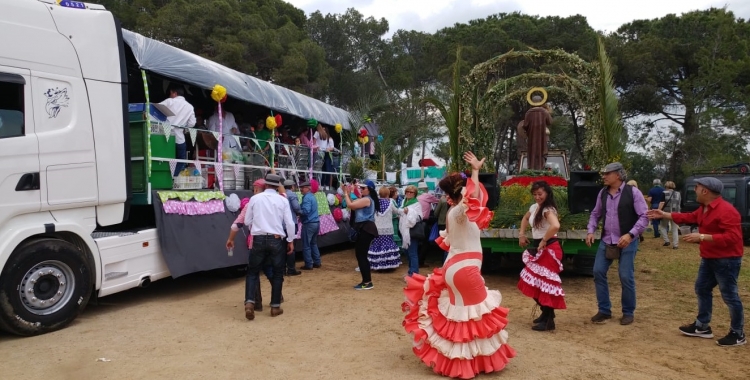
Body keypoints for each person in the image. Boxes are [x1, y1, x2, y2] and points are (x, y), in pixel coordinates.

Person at [403, 152, 516, 378]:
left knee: (462, 315)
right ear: (462, 192)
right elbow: (474, 195)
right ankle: (468, 363)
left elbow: (474, 200)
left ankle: (461, 361)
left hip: (455, 268)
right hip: (464, 269)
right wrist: (475, 171)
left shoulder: (456, 214)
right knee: (475, 315)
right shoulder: (461, 212)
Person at [648, 177, 746, 347]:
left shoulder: (727, 211)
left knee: (730, 296)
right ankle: (702, 326)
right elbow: (690, 216)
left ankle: (737, 333)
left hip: (726, 260)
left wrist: (701, 237)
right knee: (701, 288)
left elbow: (733, 237)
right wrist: (664, 214)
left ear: (705, 191)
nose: (695, 190)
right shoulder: (704, 208)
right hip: (709, 258)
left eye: (697, 187)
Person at [586, 162, 648, 325]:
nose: (604, 176)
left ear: (618, 175)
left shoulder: (633, 193)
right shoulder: (603, 193)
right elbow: (595, 213)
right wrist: (591, 230)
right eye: (604, 174)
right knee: (598, 271)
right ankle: (604, 310)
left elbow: (644, 216)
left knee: (625, 275)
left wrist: (630, 234)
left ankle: (628, 312)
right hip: (607, 240)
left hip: (628, 241)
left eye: (607, 174)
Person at [243, 173, 295, 320]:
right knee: (278, 273)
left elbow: (247, 221)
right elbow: (289, 223)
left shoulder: (255, 199)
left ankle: (249, 303)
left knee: (252, 272)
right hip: (276, 239)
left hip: (258, 238)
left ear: (265, 184)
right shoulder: (282, 200)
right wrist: (290, 240)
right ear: (278, 186)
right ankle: (275, 306)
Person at [517, 181, 566, 331]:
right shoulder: (534, 208)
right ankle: (546, 314)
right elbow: (525, 218)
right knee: (535, 283)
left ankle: (549, 320)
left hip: (549, 248)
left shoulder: (547, 209)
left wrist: (544, 240)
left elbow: (555, 226)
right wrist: (521, 234)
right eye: (535, 194)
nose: (537, 197)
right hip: (541, 247)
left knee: (545, 285)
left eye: (540, 194)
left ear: (547, 193)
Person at [342, 179, 379, 290]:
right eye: (360, 188)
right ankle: (366, 281)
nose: (361, 189)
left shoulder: (367, 200)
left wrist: (345, 194)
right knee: (361, 255)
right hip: (365, 228)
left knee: (361, 255)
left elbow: (351, 205)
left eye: (363, 188)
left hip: (366, 228)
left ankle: (367, 282)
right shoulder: (366, 199)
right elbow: (352, 203)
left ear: (370, 190)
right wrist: (348, 193)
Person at [159, 84, 196, 176]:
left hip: (165, 136)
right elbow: (192, 123)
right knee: (181, 159)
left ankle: (164, 177)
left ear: (174, 93)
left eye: (170, 93)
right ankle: (173, 177)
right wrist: (184, 126)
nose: (170, 95)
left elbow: (155, 109)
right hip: (179, 138)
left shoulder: (169, 101)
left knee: (163, 159)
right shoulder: (190, 107)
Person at [368, 187, 402, 271]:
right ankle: (388, 265)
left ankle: (377, 265)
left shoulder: (375, 203)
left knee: (378, 245)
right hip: (388, 229)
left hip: (377, 229)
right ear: (388, 194)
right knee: (388, 246)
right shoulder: (390, 202)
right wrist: (404, 210)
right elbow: (396, 211)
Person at [522, 95, 552, 170]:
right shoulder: (544, 112)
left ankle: (532, 168)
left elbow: (525, 125)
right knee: (542, 151)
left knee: (532, 151)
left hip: (532, 137)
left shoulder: (528, 112)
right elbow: (550, 122)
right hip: (542, 137)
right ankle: (541, 168)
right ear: (541, 102)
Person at [398, 185, 423, 276]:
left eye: (411, 192)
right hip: (404, 231)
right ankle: (411, 270)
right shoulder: (404, 201)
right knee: (407, 252)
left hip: (411, 231)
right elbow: (400, 211)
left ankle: (414, 273)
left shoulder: (416, 204)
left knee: (412, 253)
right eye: (407, 191)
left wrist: (408, 212)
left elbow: (419, 217)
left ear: (415, 194)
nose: (408, 193)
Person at [298, 180, 322, 271]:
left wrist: (298, 212)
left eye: (302, 188)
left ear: (308, 188)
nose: (301, 189)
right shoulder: (312, 196)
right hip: (316, 223)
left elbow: (306, 211)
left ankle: (308, 264)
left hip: (309, 224)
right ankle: (317, 262)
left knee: (306, 245)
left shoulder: (306, 197)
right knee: (313, 243)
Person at [283, 180, 302, 276]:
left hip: (281, 224)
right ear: (292, 187)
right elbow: (296, 207)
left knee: (282, 247)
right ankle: (291, 269)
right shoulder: (292, 195)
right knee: (291, 246)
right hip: (291, 223)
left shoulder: (281, 194)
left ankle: (282, 269)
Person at [658, 181, 681, 249]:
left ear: (666, 186)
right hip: (675, 213)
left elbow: (662, 203)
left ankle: (667, 241)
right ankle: (675, 245)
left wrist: (658, 210)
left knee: (662, 226)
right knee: (674, 229)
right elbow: (679, 203)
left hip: (665, 212)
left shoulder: (664, 193)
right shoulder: (678, 194)